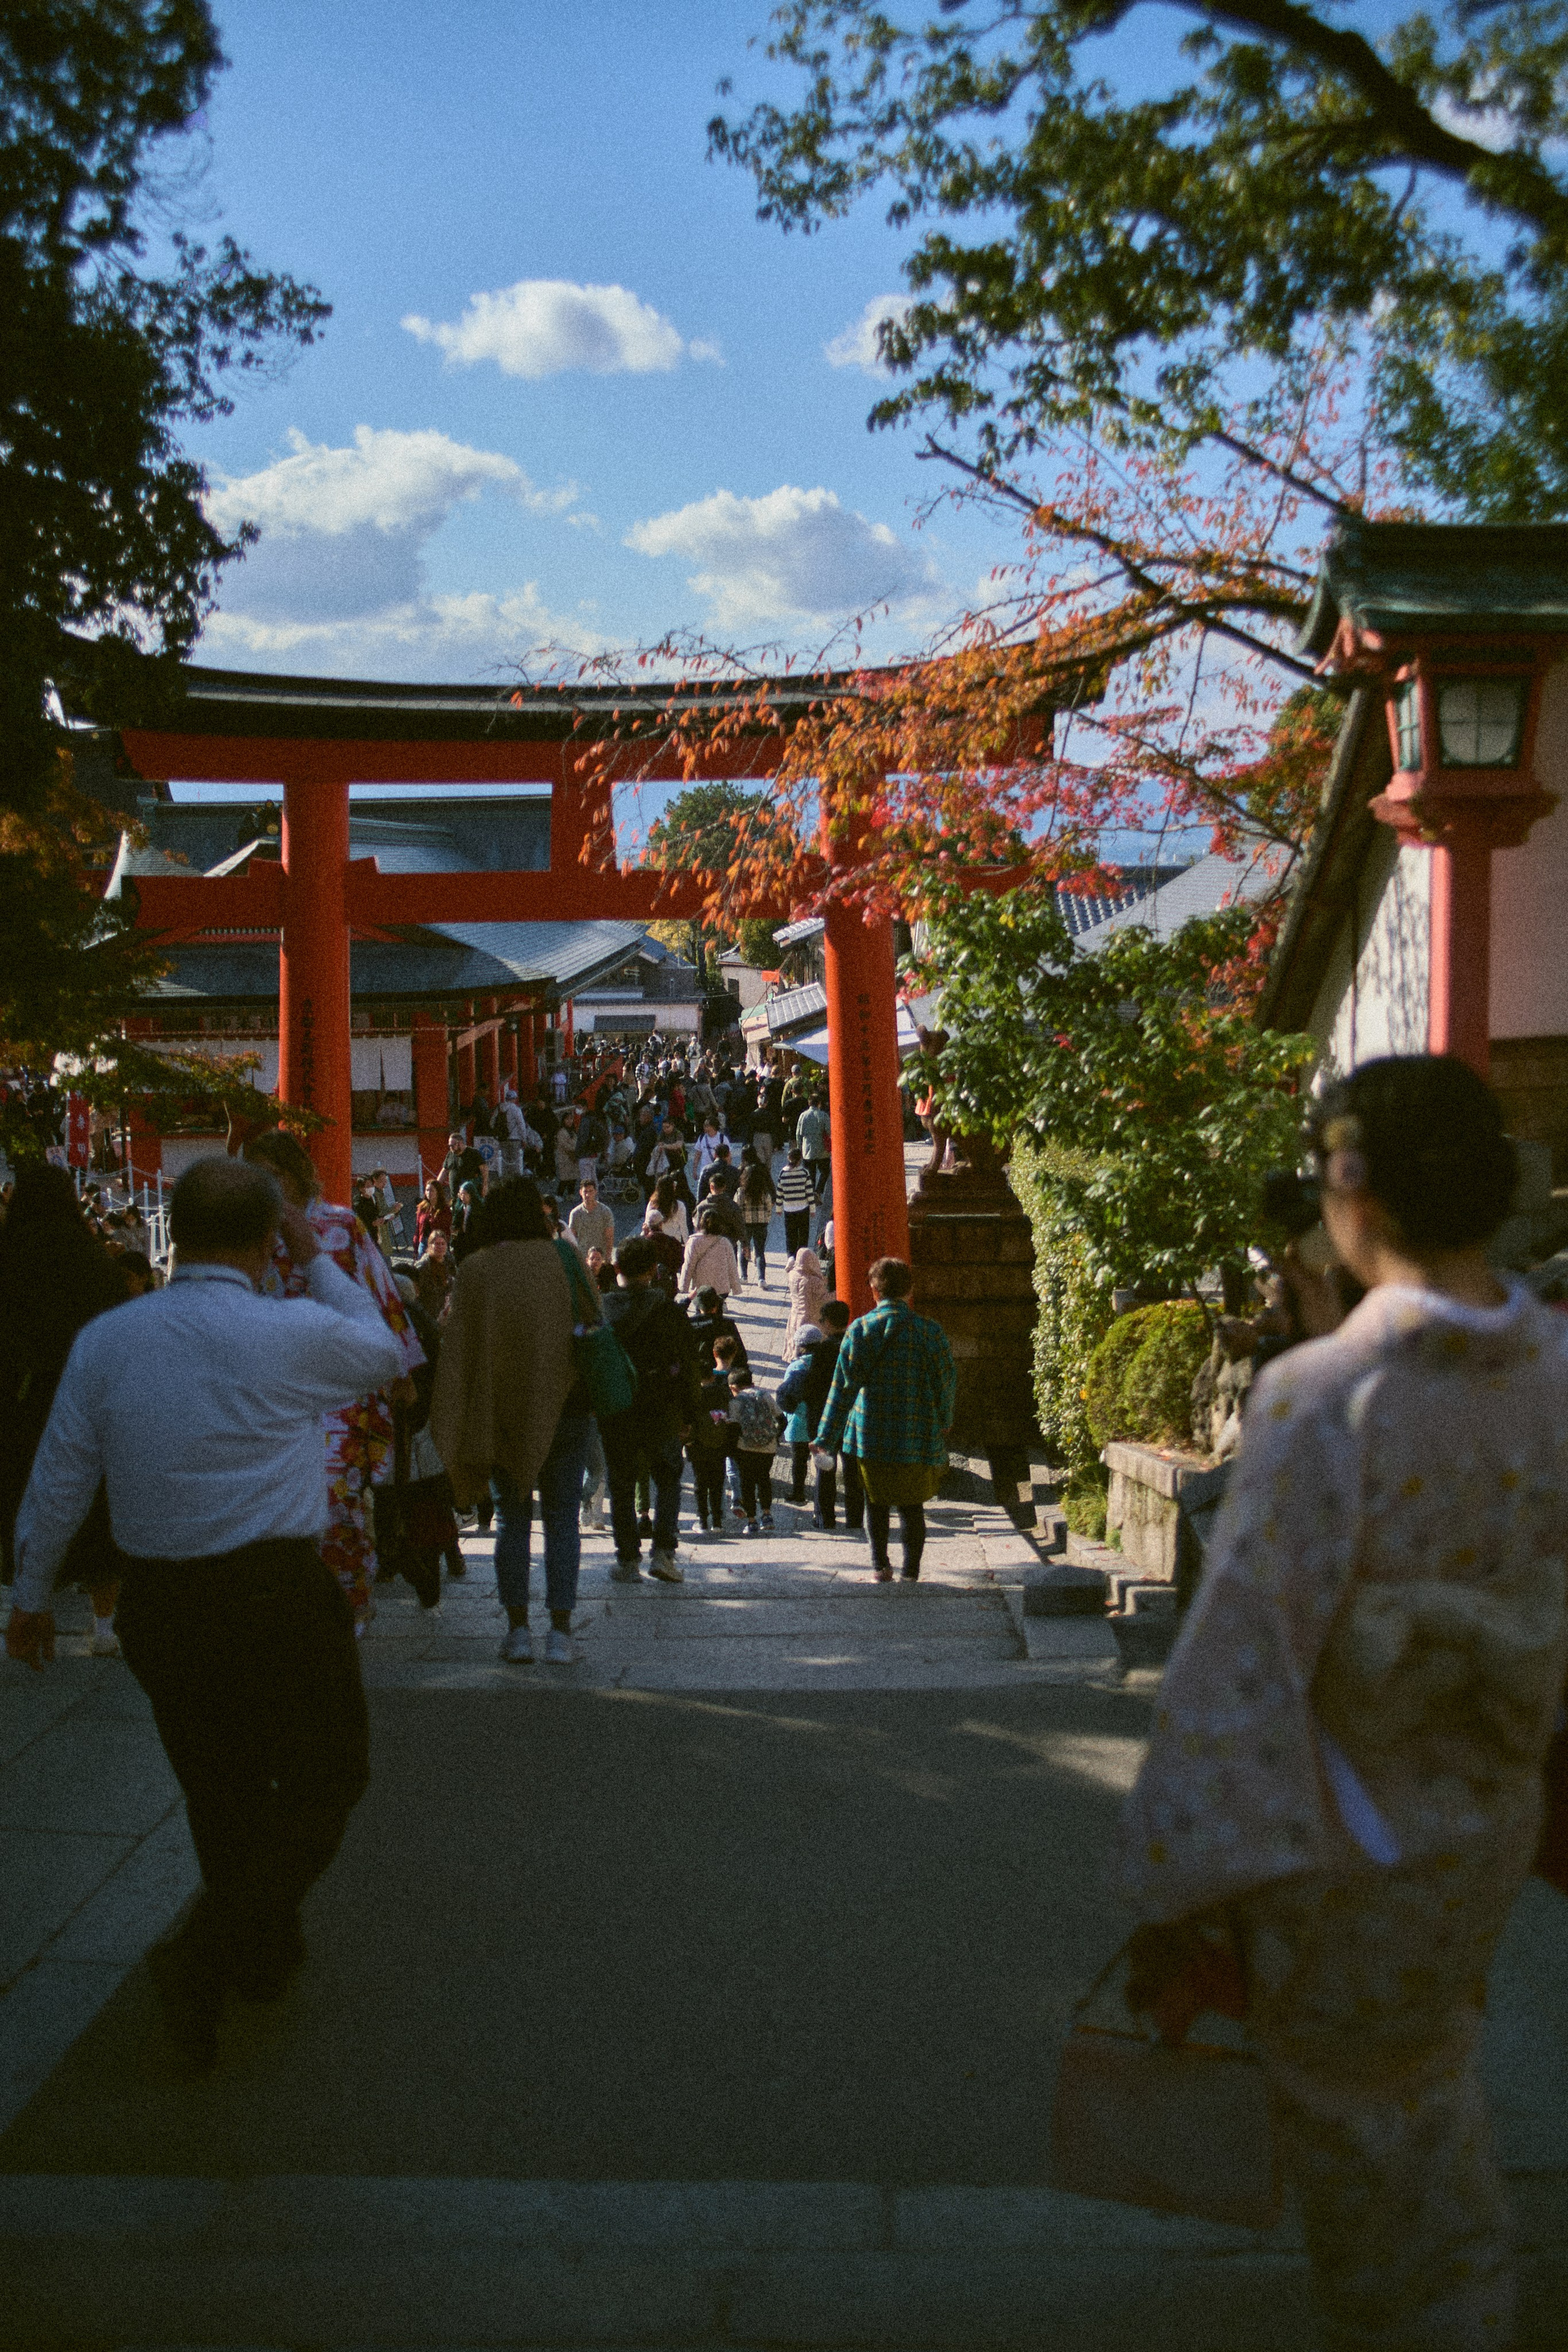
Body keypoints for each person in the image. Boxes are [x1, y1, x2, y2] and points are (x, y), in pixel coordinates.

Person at [1117, 1054, 1568, 2352]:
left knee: (1362, 2124)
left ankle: (1444, 2318)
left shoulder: (1324, 1401)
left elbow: (1242, 1661)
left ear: (1350, 1193)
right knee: (1421, 2078)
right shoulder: (1553, 1374)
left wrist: (1180, 1878)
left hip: (1351, 1826)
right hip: (1488, 1796)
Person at [4, 1156, 403, 2071]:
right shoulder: (290, 1328)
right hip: (278, 1592)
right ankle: (215, 1951)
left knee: (220, 1790)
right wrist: (318, 1258)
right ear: (272, 1240)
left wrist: (31, 1599)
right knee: (327, 1774)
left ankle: (254, 1948)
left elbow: (61, 1475)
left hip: (165, 1602)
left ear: (174, 1234)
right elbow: (383, 1352)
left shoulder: (111, 1338)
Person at [247, 1129, 425, 1630]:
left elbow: (381, 1293)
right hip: (273, 1386)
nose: (267, 1184)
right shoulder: (248, 1234)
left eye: (275, 1174)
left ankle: (348, 1600)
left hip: (340, 1384)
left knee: (336, 1497)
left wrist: (401, 1369)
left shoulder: (342, 1226)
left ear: (297, 1174)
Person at [429, 1176, 597, 1666]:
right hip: (566, 1405)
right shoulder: (564, 1259)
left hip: (500, 1410)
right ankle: (562, 1633)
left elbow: (456, 1344)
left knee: (512, 1519)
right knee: (563, 1516)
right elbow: (595, 1315)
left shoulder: (478, 1269)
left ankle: (518, 1630)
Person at [0, 1164, 135, 1654]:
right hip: (88, 1400)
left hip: (20, 1403)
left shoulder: (8, 1261)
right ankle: (103, 1623)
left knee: (21, 1500)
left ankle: (33, 1606)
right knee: (96, 1509)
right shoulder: (92, 1262)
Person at [815, 1257, 956, 1581]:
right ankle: (911, 1571)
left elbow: (842, 1390)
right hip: (916, 1430)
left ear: (874, 1291)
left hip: (869, 1432)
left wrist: (825, 1437)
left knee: (874, 1502)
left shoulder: (861, 1330)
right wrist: (944, 1418)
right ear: (909, 1290)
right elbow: (946, 1380)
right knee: (912, 1504)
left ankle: (880, 1565)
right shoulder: (929, 1331)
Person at [598, 1234, 703, 1583]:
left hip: (617, 1411)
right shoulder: (667, 1310)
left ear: (616, 1269)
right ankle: (663, 1554)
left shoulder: (602, 1310)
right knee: (669, 1478)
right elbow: (688, 1365)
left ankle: (627, 1559)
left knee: (622, 1485)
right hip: (662, 1408)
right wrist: (690, 1415)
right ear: (654, 1270)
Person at [725, 1368, 782, 1536]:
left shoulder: (736, 1401)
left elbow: (734, 1427)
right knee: (764, 1478)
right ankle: (767, 1515)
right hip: (768, 1447)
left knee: (747, 1483)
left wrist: (731, 1449)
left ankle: (752, 1522)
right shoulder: (765, 1396)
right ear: (752, 1383)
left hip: (745, 1447)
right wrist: (774, 1437)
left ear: (734, 1387)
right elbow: (781, 1419)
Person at [778, 1324, 824, 1504]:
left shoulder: (797, 1366)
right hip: (821, 1417)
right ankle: (823, 1495)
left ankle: (798, 1492)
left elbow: (786, 1393)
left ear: (800, 1345)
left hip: (799, 1420)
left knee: (799, 1461)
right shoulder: (826, 1362)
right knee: (823, 1459)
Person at [677, 1207, 741, 1304]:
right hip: (722, 1288)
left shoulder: (694, 1241)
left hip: (702, 1287)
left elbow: (688, 1265)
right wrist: (736, 1288)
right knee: (718, 1312)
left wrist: (684, 1286)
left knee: (702, 1313)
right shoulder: (725, 1242)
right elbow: (732, 1266)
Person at [737, 1148, 777, 1286]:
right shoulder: (763, 1192)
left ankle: (744, 1276)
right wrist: (766, 1219)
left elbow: (737, 1208)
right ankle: (761, 1278)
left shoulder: (741, 1192)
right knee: (760, 1252)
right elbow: (769, 1206)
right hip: (761, 1223)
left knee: (744, 1249)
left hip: (745, 1224)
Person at [783, 1243, 829, 1359]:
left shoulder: (792, 1275)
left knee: (795, 1343)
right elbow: (823, 1299)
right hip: (811, 1318)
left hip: (794, 1316)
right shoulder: (814, 1281)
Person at [777, 1144, 816, 1257]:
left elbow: (780, 1193)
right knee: (803, 1235)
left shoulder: (783, 1173)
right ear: (800, 1159)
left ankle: (791, 1257)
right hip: (803, 1208)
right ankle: (803, 1257)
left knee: (790, 1235)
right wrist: (812, 1209)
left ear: (789, 1159)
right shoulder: (804, 1173)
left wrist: (779, 1208)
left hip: (789, 1209)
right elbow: (809, 1193)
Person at [567, 1175, 616, 1264]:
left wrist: (608, 1257)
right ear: (580, 1192)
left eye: (591, 1191)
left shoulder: (605, 1211)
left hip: (601, 1258)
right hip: (583, 1258)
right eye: (585, 1191)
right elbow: (572, 1238)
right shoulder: (575, 1213)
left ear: (595, 1192)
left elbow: (610, 1237)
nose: (588, 1195)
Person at [797, 1090, 832, 1202]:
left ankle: (811, 1194)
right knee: (825, 1172)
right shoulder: (823, 1115)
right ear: (819, 1103)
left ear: (809, 1103)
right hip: (822, 1149)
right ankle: (819, 1191)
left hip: (808, 1149)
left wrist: (800, 1148)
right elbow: (829, 1131)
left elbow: (798, 1134)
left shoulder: (803, 1116)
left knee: (810, 1173)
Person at [415, 1177, 451, 1253]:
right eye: (427, 1190)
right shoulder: (422, 1208)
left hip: (438, 1244)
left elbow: (447, 1230)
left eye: (432, 1190)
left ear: (438, 1192)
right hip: (424, 1242)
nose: (429, 1193)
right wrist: (415, 1247)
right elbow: (418, 1229)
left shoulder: (445, 1209)